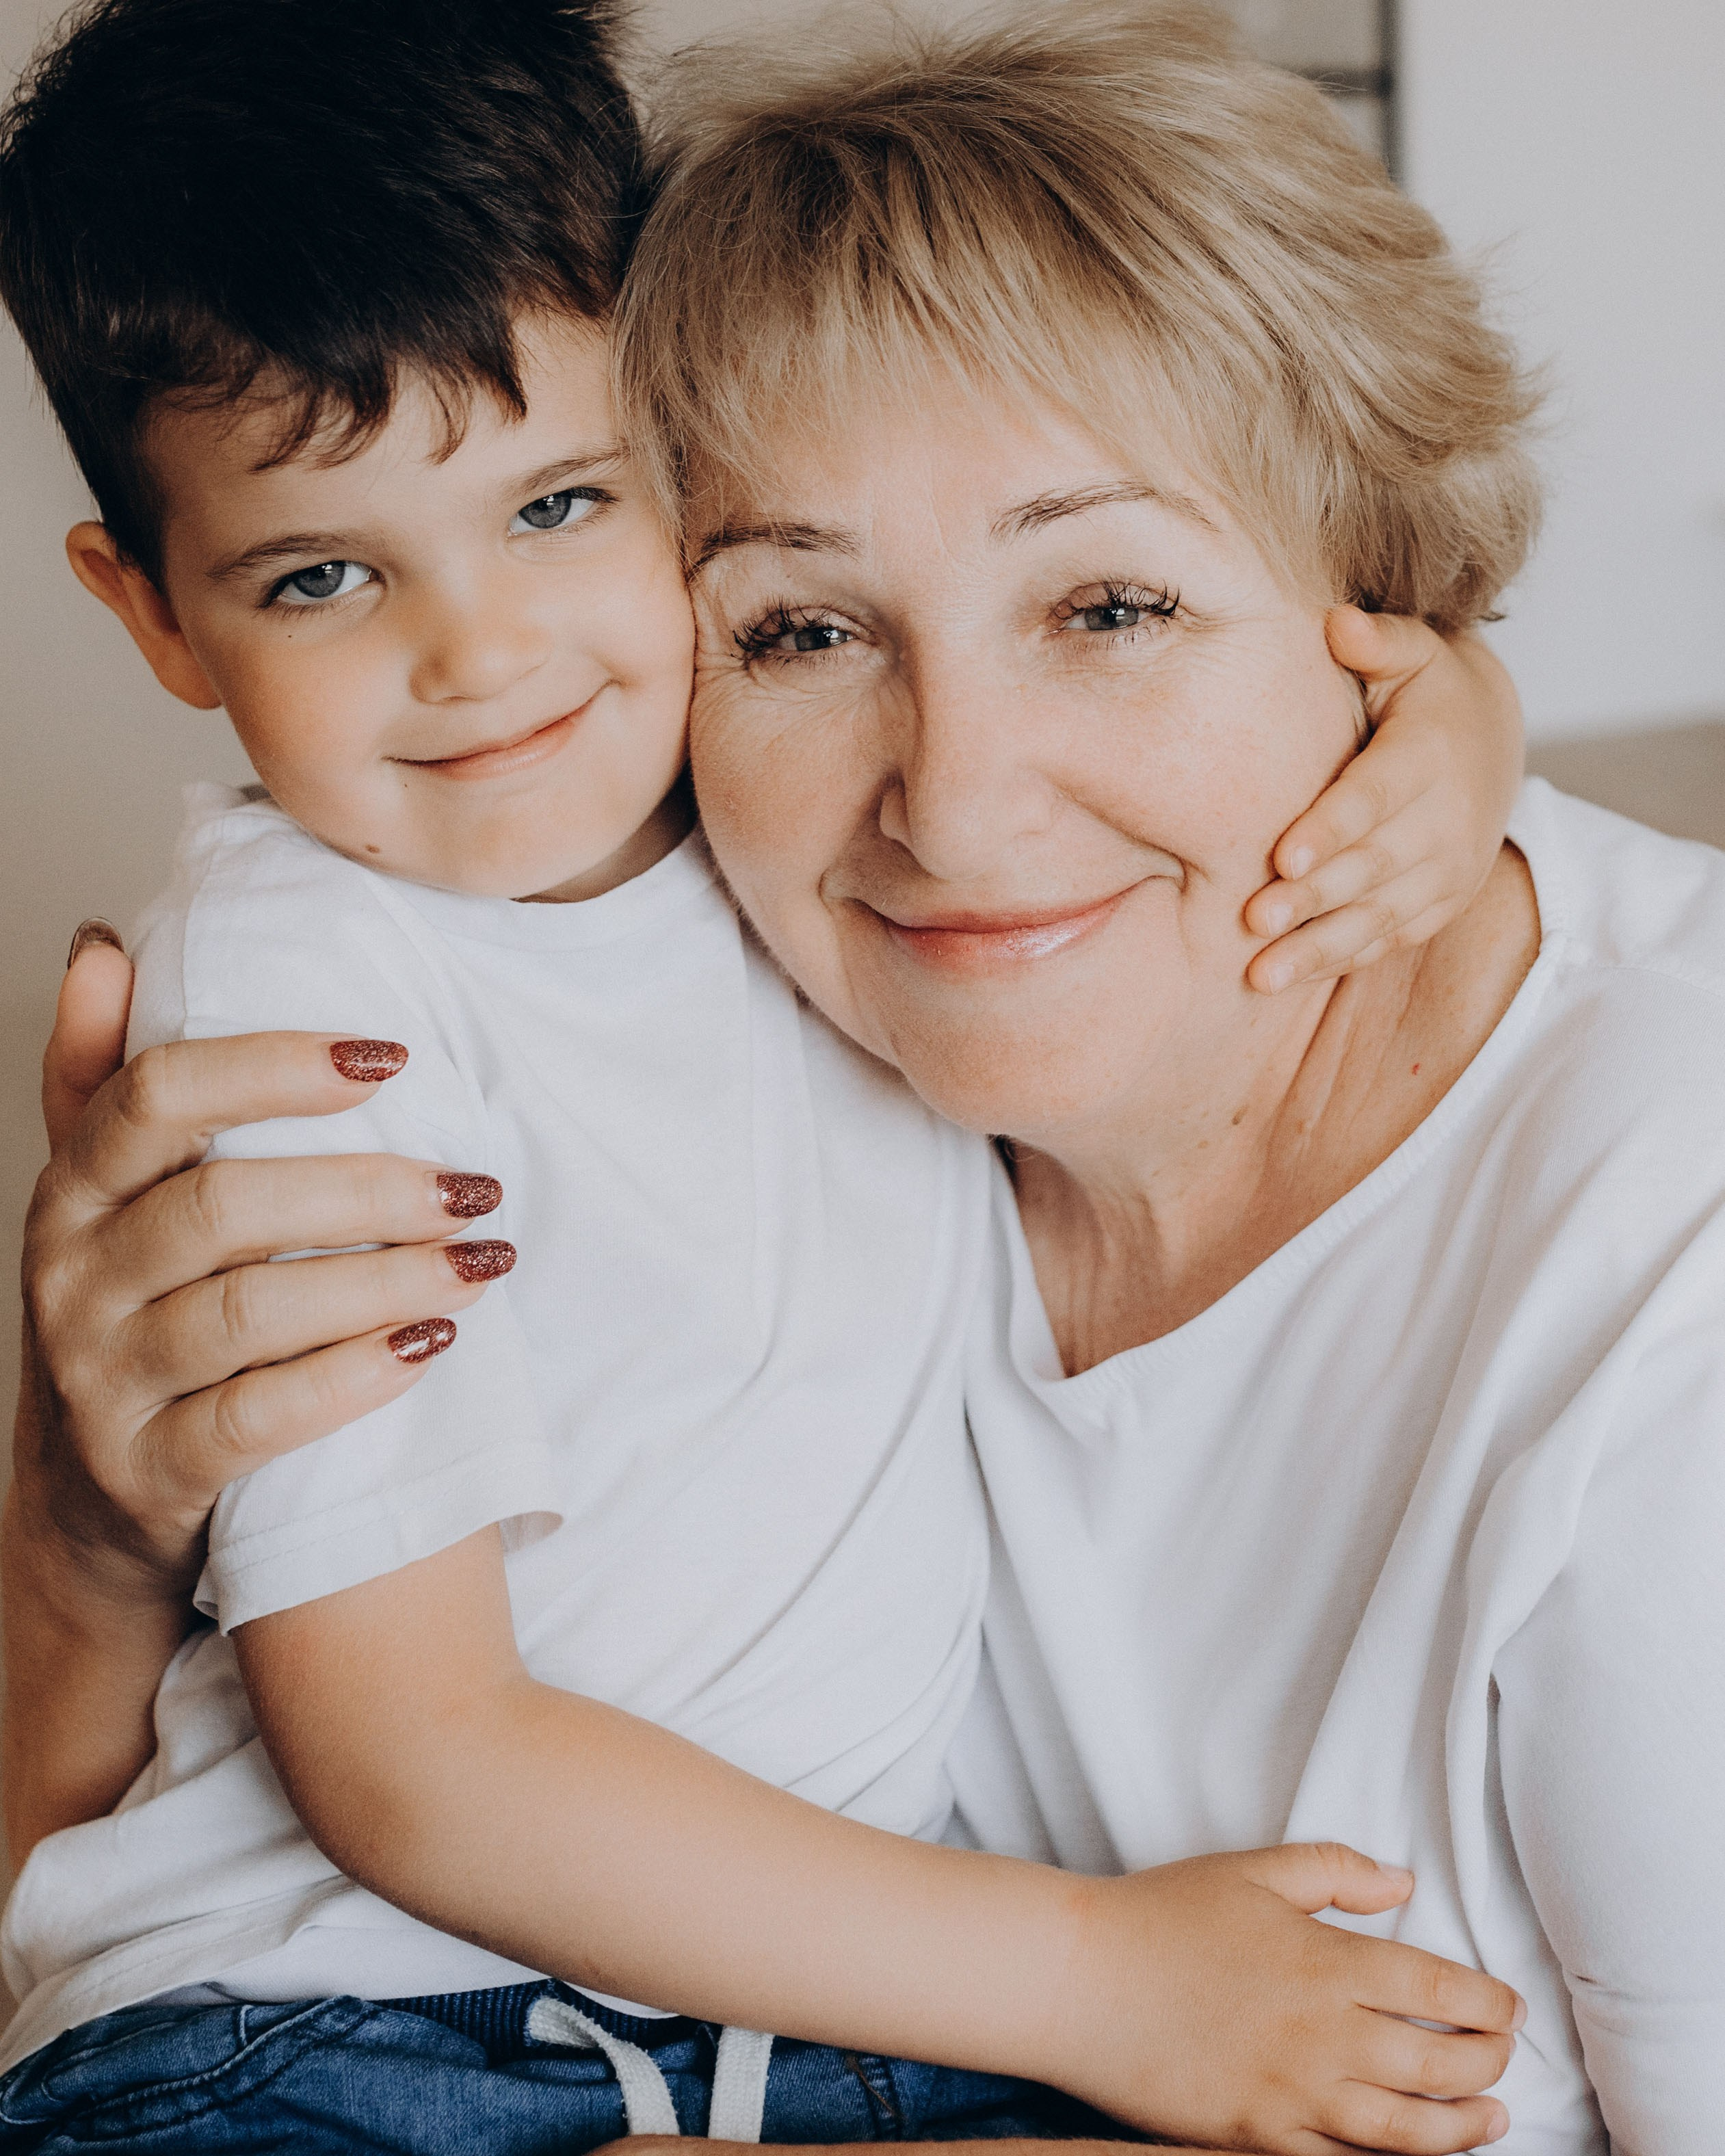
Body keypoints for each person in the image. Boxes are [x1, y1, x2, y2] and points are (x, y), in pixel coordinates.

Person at [0, 1, 1529, 2151]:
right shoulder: (308, 991)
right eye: (323, 575)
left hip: (743, 2027)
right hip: (331, 2039)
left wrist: (1445, 711)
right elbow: (412, 1761)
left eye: (556, 505)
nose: (483, 656)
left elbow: (1189, 700)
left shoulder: (765, 818)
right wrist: (1103, 1975)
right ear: (156, 616)